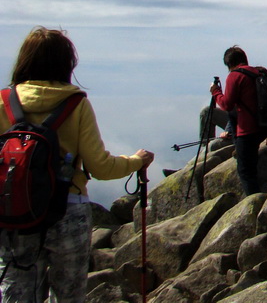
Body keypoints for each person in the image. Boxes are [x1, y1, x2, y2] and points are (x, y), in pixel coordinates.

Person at [0, 27, 154, 303]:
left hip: (14, 213)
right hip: (67, 211)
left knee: (16, 291)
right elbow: (100, 167)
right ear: (66, 63)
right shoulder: (75, 104)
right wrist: (136, 161)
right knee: (68, 296)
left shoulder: (4, 103)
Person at [209, 46, 266, 195]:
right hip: (262, 126)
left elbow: (227, 104)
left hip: (246, 130)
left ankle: (254, 204)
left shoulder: (235, 76)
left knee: (246, 172)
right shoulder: (258, 72)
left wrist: (216, 92)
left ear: (229, 63)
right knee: (252, 169)